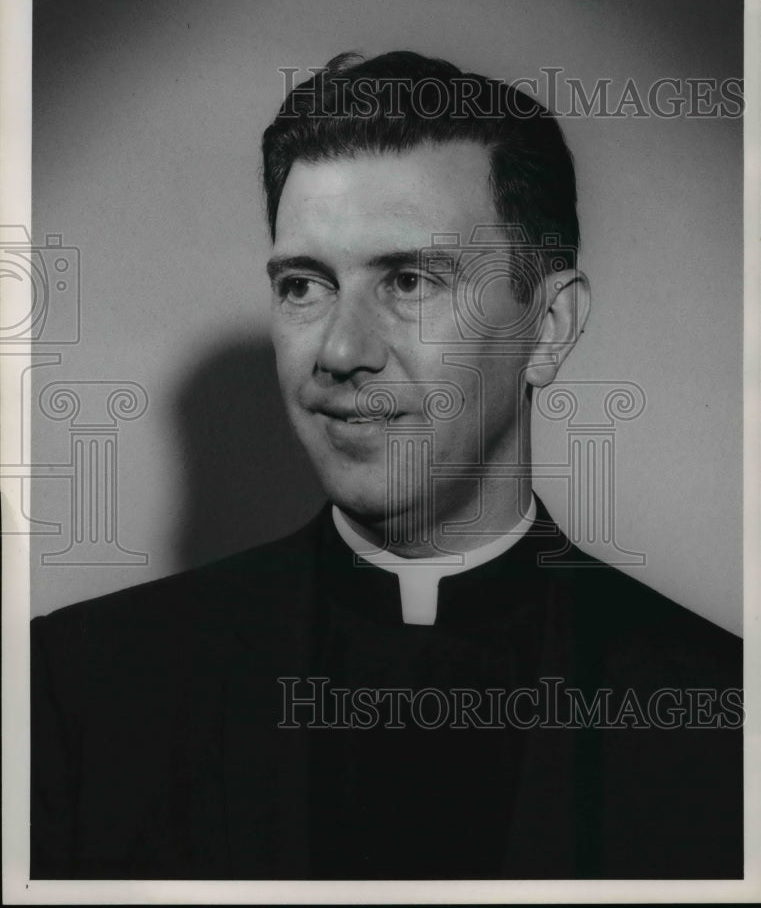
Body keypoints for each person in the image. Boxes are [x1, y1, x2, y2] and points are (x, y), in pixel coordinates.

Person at [31, 51, 742, 880]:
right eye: (304, 285)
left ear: (547, 328)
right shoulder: (86, 687)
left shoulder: (722, 712)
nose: (339, 350)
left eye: (407, 280)